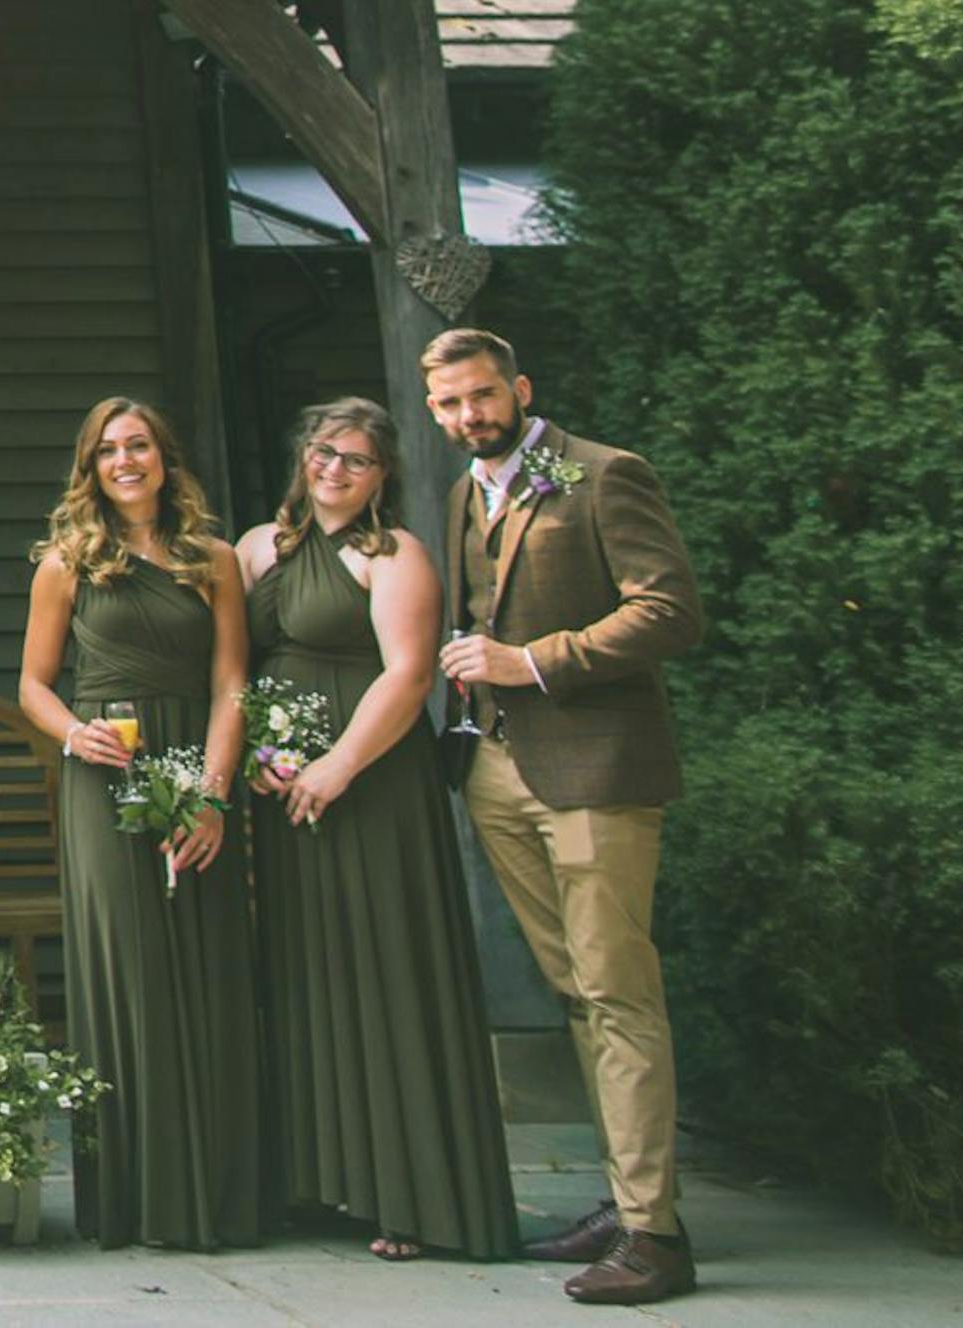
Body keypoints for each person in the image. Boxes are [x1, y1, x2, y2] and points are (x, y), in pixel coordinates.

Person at [424, 329, 704, 1306]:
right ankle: (627, 1205)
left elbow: (669, 611)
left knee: (618, 993)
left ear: (520, 387)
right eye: (452, 404)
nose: (472, 416)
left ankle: (655, 1237)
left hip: (596, 771)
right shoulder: (466, 493)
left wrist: (531, 661)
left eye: (484, 395)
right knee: (577, 993)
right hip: (498, 772)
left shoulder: (603, 473)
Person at [235, 398, 515, 1263]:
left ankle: (413, 1196)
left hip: (374, 790)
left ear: (381, 475)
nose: (335, 470)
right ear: (302, 455)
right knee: (307, 977)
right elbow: (234, 669)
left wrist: (338, 766)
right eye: (324, 452)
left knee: (387, 974)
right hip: (284, 796)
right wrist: (257, 754)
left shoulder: (394, 557)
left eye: (356, 460)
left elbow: (408, 677)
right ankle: (320, 1184)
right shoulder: (256, 550)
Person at [18, 395, 261, 1254]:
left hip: (196, 761)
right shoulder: (66, 564)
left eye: (140, 445)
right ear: (90, 469)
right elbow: (34, 685)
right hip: (105, 775)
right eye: (109, 450)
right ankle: (136, 1197)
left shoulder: (215, 559)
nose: (127, 460)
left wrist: (214, 793)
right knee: (130, 968)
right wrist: (70, 731)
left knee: (207, 959)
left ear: (165, 457)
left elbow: (233, 681)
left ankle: (223, 1196)